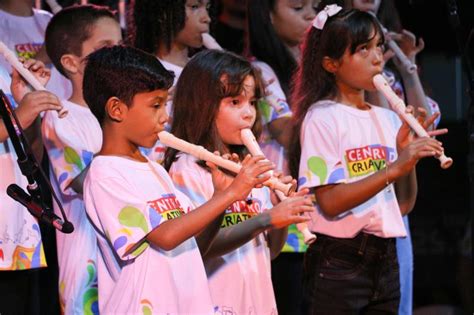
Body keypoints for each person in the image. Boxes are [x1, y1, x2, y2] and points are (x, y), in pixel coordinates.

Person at [82, 45, 275, 314]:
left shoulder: (154, 170)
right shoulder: (106, 173)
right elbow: (166, 237)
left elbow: (195, 244)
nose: (165, 116)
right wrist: (228, 196)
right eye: (156, 105)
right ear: (116, 109)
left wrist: (222, 196)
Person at [288, 5, 446, 313]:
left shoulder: (388, 118)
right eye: (363, 49)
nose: (377, 58)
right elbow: (331, 202)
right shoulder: (322, 117)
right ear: (331, 63)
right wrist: (396, 166)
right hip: (339, 262)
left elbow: (403, 206)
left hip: (386, 260)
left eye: (379, 47)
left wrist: (406, 160)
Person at [164, 48, 313, 314]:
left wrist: (279, 212)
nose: (249, 114)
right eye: (235, 102)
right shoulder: (185, 169)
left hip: (258, 302)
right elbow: (197, 247)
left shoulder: (250, 167)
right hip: (214, 303)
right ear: (201, 105)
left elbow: (273, 251)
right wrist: (266, 219)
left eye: (252, 102)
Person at [42, 5, 122, 314]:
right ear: (72, 63)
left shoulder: (125, 112)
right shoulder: (60, 117)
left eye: (120, 46)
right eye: (106, 48)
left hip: (131, 256)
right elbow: (77, 181)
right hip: (89, 257)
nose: (117, 56)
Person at [246, 1, 317, 313]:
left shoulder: (314, 64)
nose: (310, 16)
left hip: (318, 211)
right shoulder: (261, 70)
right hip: (283, 210)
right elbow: (288, 133)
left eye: (314, 6)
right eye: (299, 7)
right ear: (268, 16)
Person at [0, 60, 62, 314]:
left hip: (14, 236)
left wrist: (27, 108)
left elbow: (31, 155)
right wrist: (17, 119)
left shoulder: (3, 74)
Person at [131, 0, 212, 163]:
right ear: (163, 14)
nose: (206, 18)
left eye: (207, 8)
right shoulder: (141, 73)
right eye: (194, 7)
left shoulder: (207, 71)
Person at [0, 0, 72, 100]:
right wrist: (43, 56)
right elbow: (6, 88)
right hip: (28, 112)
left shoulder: (48, 18)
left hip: (67, 110)